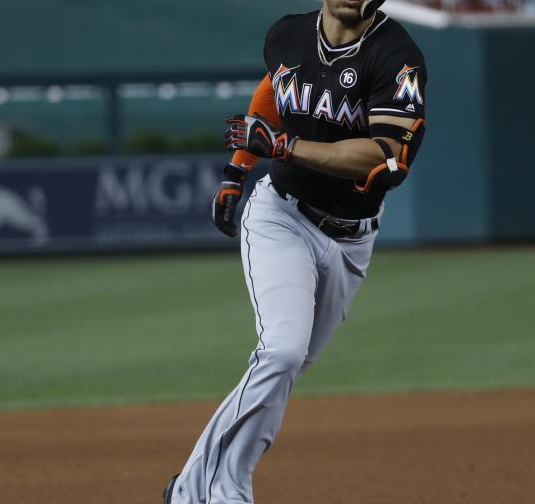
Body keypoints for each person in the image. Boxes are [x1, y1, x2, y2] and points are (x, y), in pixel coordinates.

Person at [164, 0, 426, 502]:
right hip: (281, 216)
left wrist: (283, 147)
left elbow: (383, 154)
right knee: (281, 353)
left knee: (279, 372)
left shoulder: (397, 57)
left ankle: (190, 487)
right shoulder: (287, 35)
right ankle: (223, 493)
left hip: (352, 240)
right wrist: (237, 171)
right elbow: (272, 89)